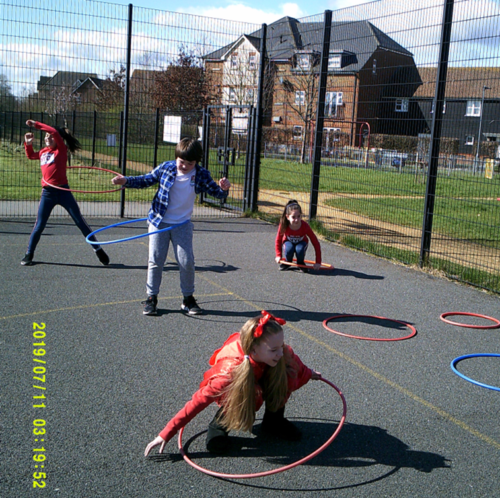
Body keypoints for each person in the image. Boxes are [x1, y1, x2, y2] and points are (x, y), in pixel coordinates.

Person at [144, 311, 321, 456]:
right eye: (274, 350)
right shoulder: (228, 373)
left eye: (281, 347)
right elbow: (198, 401)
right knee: (246, 391)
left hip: (260, 367)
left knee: (285, 375)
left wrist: (311, 374)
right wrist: (167, 432)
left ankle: (274, 421)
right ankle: (219, 426)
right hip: (239, 378)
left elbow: (298, 366)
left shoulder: (280, 353)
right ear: (253, 349)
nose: (280, 352)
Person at [111, 137, 230, 316]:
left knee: (187, 261)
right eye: (181, 162)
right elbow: (146, 179)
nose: (184, 166)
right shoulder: (166, 168)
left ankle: (188, 299)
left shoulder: (200, 174)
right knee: (156, 260)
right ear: (176, 158)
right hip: (159, 221)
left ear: (196, 162)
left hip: (182, 224)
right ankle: (151, 298)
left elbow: (216, 193)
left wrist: (224, 189)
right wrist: (126, 181)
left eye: (189, 163)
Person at [22, 120, 109, 266]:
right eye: (45, 136)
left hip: (64, 192)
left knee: (80, 222)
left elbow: (55, 132)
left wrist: (36, 124)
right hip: (47, 193)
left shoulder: (61, 150)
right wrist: (28, 143)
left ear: (57, 139)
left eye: (49, 136)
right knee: (39, 225)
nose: (47, 138)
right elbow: (30, 156)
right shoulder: (44, 152)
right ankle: (28, 254)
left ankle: (98, 249)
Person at [275, 200, 322, 273]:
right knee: (289, 248)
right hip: (288, 242)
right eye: (293, 217)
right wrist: (278, 255)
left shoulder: (305, 226)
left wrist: (318, 262)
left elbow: (315, 242)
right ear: (287, 217)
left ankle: (300, 263)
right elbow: (278, 240)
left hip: (301, 242)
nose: (296, 220)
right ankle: (287, 262)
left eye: (298, 216)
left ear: (301, 215)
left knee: (299, 249)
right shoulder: (284, 225)